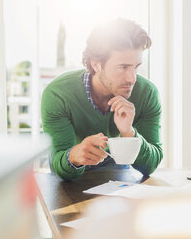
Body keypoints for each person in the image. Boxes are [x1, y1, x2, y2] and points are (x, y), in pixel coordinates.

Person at [41, 18, 162, 181]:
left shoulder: (147, 93)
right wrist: (74, 157)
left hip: (117, 170)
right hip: (69, 174)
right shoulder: (58, 94)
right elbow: (58, 160)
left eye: (136, 67)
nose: (132, 79)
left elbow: (150, 166)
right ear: (96, 64)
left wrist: (129, 134)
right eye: (123, 67)